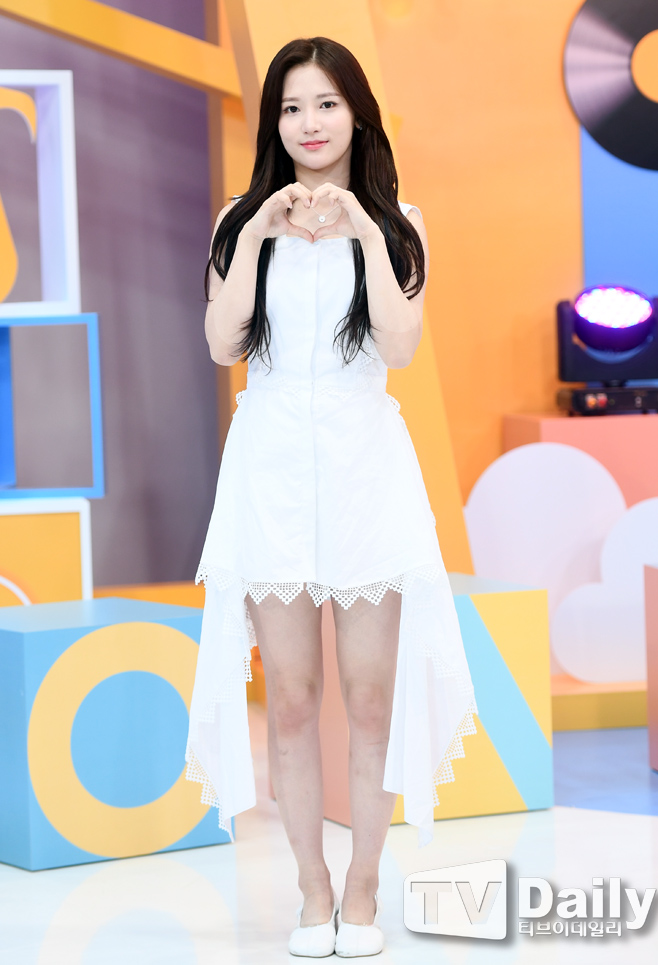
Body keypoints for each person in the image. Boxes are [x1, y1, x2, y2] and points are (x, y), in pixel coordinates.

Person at [185, 36, 478, 959]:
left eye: (325, 104)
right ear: (273, 122)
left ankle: (363, 889)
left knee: (370, 696)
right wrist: (256, 234)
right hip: (269, 472)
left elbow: (398, 347)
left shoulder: (399, 223)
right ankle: (312, 892)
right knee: (294, 699)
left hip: (365, 473)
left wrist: (361, 229)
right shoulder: (240, 221)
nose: (309, 124)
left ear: (356, 114)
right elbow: (223, 344)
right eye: (291, 107)